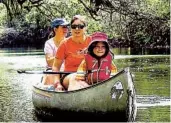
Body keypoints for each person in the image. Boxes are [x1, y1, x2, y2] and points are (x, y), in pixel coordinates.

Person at [52, 15, 92, 91]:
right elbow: (56, 67)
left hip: (89, 75)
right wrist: (57, 83)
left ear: (85, 28)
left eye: (80, 26)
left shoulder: (92, 41)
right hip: (69, 76)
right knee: (75, 77)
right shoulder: (64, 44)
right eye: (74, 26)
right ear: (71, 28)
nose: (77, 29)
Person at [43, 18, 69, 85]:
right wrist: (64, 55)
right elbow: (49, 62)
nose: (66, 29)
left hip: (67, 71)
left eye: (66, 27)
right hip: (52, 71)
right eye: (63, 27)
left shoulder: (69, 42)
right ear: (55, 29)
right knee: (50, 76)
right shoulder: (49, 43)